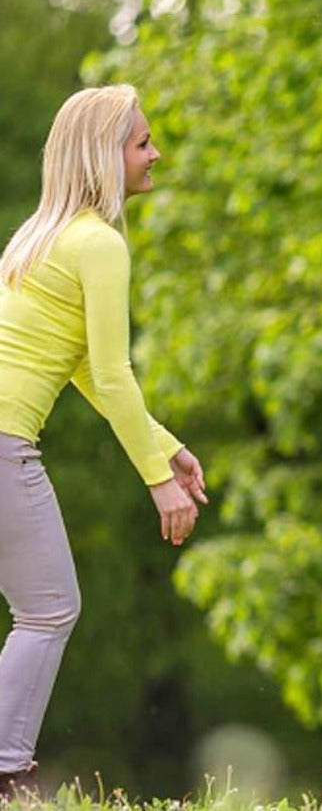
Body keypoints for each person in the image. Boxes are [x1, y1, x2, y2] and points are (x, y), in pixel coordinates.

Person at [0, 85, 207, 797]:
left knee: (42, 608)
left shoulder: (39, 235)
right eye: (142, 143)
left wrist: (165, 443)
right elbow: (115, 374)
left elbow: (86, 369)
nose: (156, 154)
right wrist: (159, 480)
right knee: (50, 608)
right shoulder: (98, 242)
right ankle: (5, 773)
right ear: (104, 154)